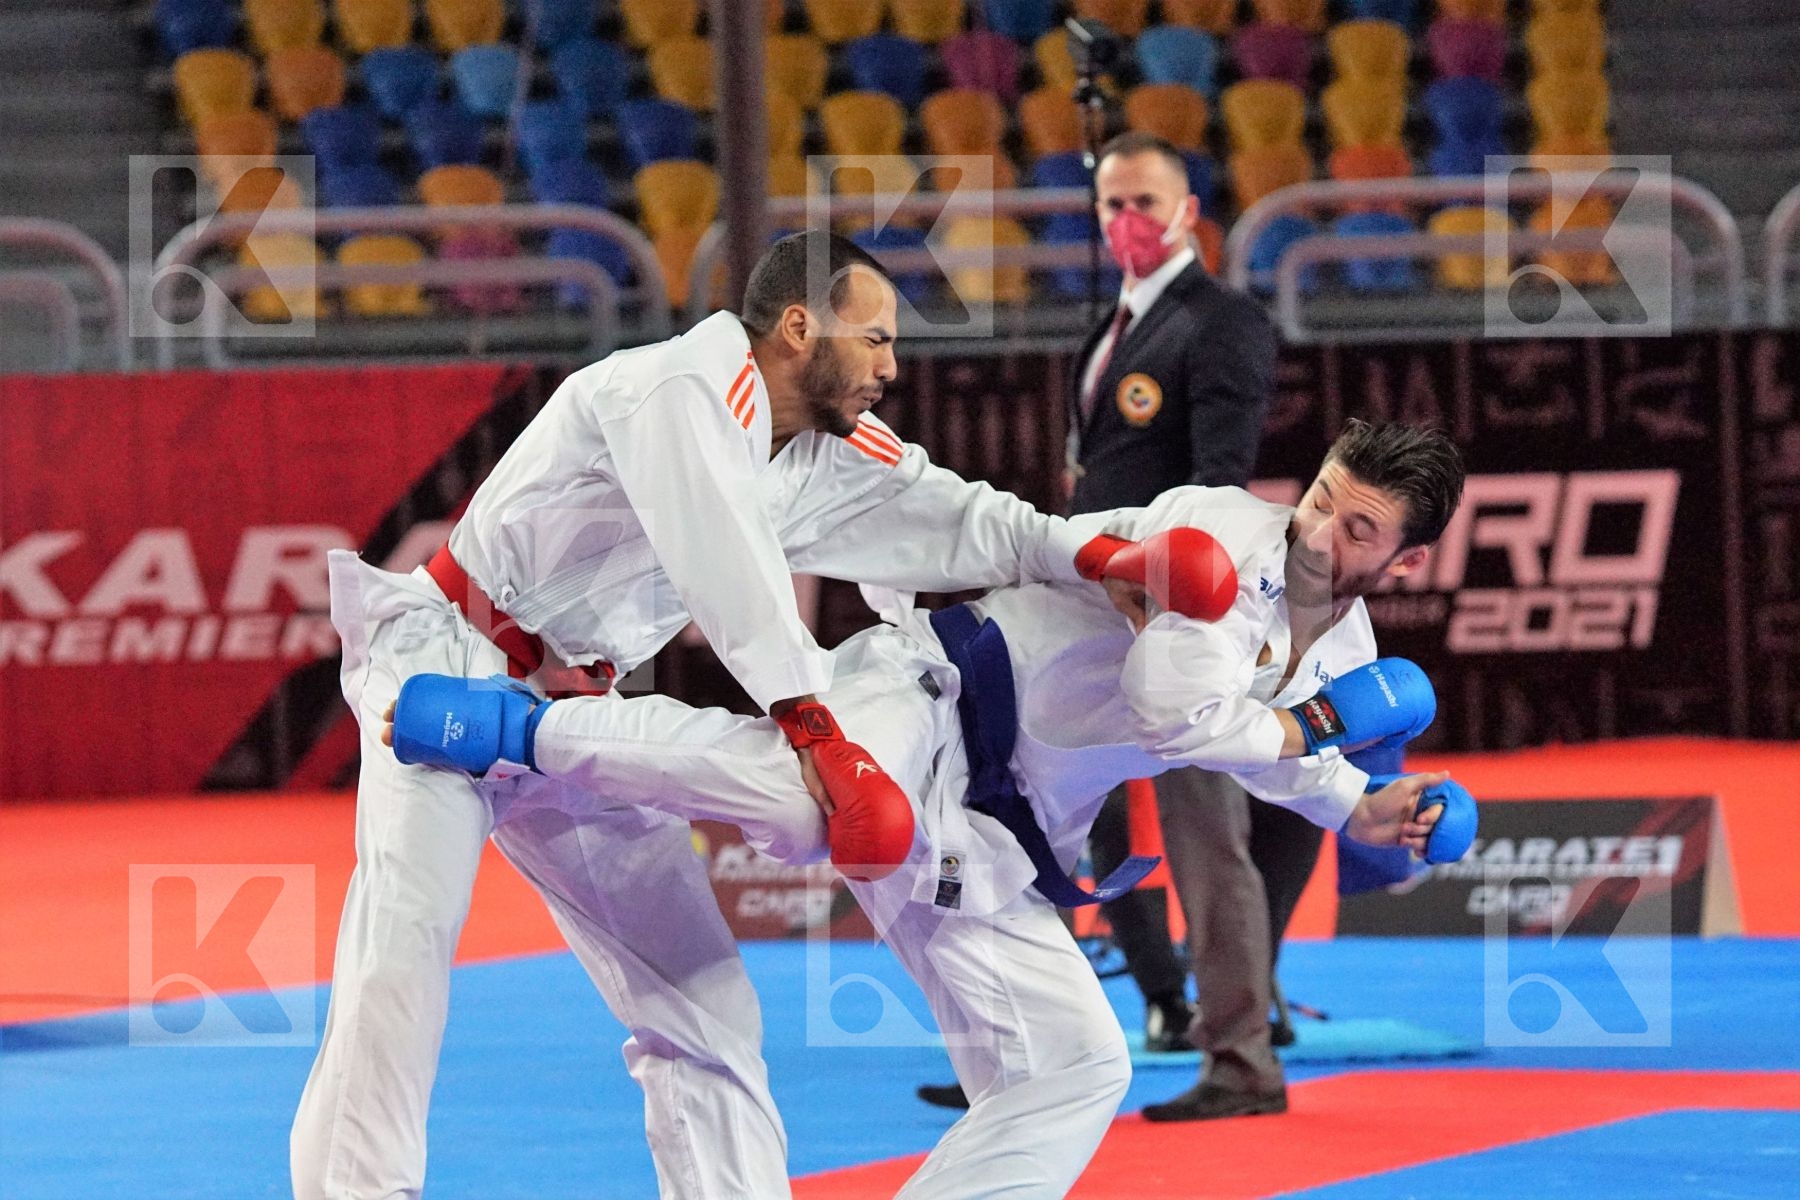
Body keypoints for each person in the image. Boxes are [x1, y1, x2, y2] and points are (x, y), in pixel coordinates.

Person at [387, 421, 1475, 1197]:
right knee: (807, 803)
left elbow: (1267, 746)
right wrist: (1315, 731)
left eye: (1359, 527)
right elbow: (1174, 709)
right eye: (1325, 496)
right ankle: (517, 732)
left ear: (1410, 558)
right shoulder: (1224, 532)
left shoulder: (1344, 650)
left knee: (1074, 1066)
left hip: (1004, 828)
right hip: (940, 691)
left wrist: (1357, 808)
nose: (1319, 531)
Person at [291, 230, 1122, 1200]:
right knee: (405, 943)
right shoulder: (680, 386)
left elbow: (960, 516)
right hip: (444, 665)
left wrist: (1104, 560)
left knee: (703, 1000)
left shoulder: (823, 448)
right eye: (875, 339)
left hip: (575, 706)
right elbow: (720, 551)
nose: (892, 367)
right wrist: (811, 723)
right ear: (799, 326)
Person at [1065, 129, 1283, 1067]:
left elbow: (1223, 479)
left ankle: (1241, 1048)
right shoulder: (1105, 329)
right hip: (1093, 600)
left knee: (1203, 827)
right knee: (1068, 810)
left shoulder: (1221, 319)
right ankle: (1140, 1003)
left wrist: (1171, 590)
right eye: (1112, 204)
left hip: (1177, 600)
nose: (1127, 222)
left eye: (1145, 203)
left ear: (1188, 210)